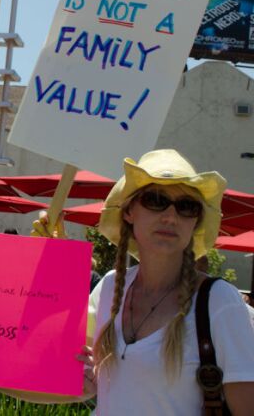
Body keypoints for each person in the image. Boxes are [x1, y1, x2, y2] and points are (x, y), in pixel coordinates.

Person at [87, 149, 254, 414]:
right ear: (129, 211)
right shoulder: (109, 287)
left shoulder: (220, 301)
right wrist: (45, 259)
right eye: (156, 200)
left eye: (186, 206)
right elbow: (61, 366)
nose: (171, 217)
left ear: (195, 221)